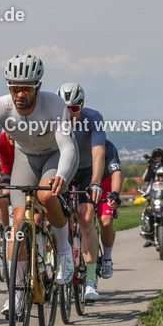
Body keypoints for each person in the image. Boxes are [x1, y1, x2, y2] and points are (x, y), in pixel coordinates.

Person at [0, 54, 78, 319]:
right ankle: (18, 293)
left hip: (56, 155)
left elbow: (67, 146)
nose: (19, 94)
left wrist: (63, 176)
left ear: (38, 86)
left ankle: (65, 252)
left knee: (47, 194)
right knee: (19, 221)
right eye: (14, 87)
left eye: (26, 87)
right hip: (26, 158)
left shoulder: (54, 104)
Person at [59, 82, 105, 302]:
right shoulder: (53, 118)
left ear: (82, 106)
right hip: (63, 171)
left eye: (74, 109)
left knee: (86, 218)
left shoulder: (93, 118)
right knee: (53, 214)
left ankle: (91, 280)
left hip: (86, 172)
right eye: (65, 109)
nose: (70, 114)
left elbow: (98, 152)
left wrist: (96, 182)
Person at [97, 138, 122, 281]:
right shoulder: (73, 140)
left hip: (105, 182)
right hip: (82, 181)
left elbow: (116, 173)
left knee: (106, 222)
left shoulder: (107, 146)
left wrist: (115, 194)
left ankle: (107, 258)